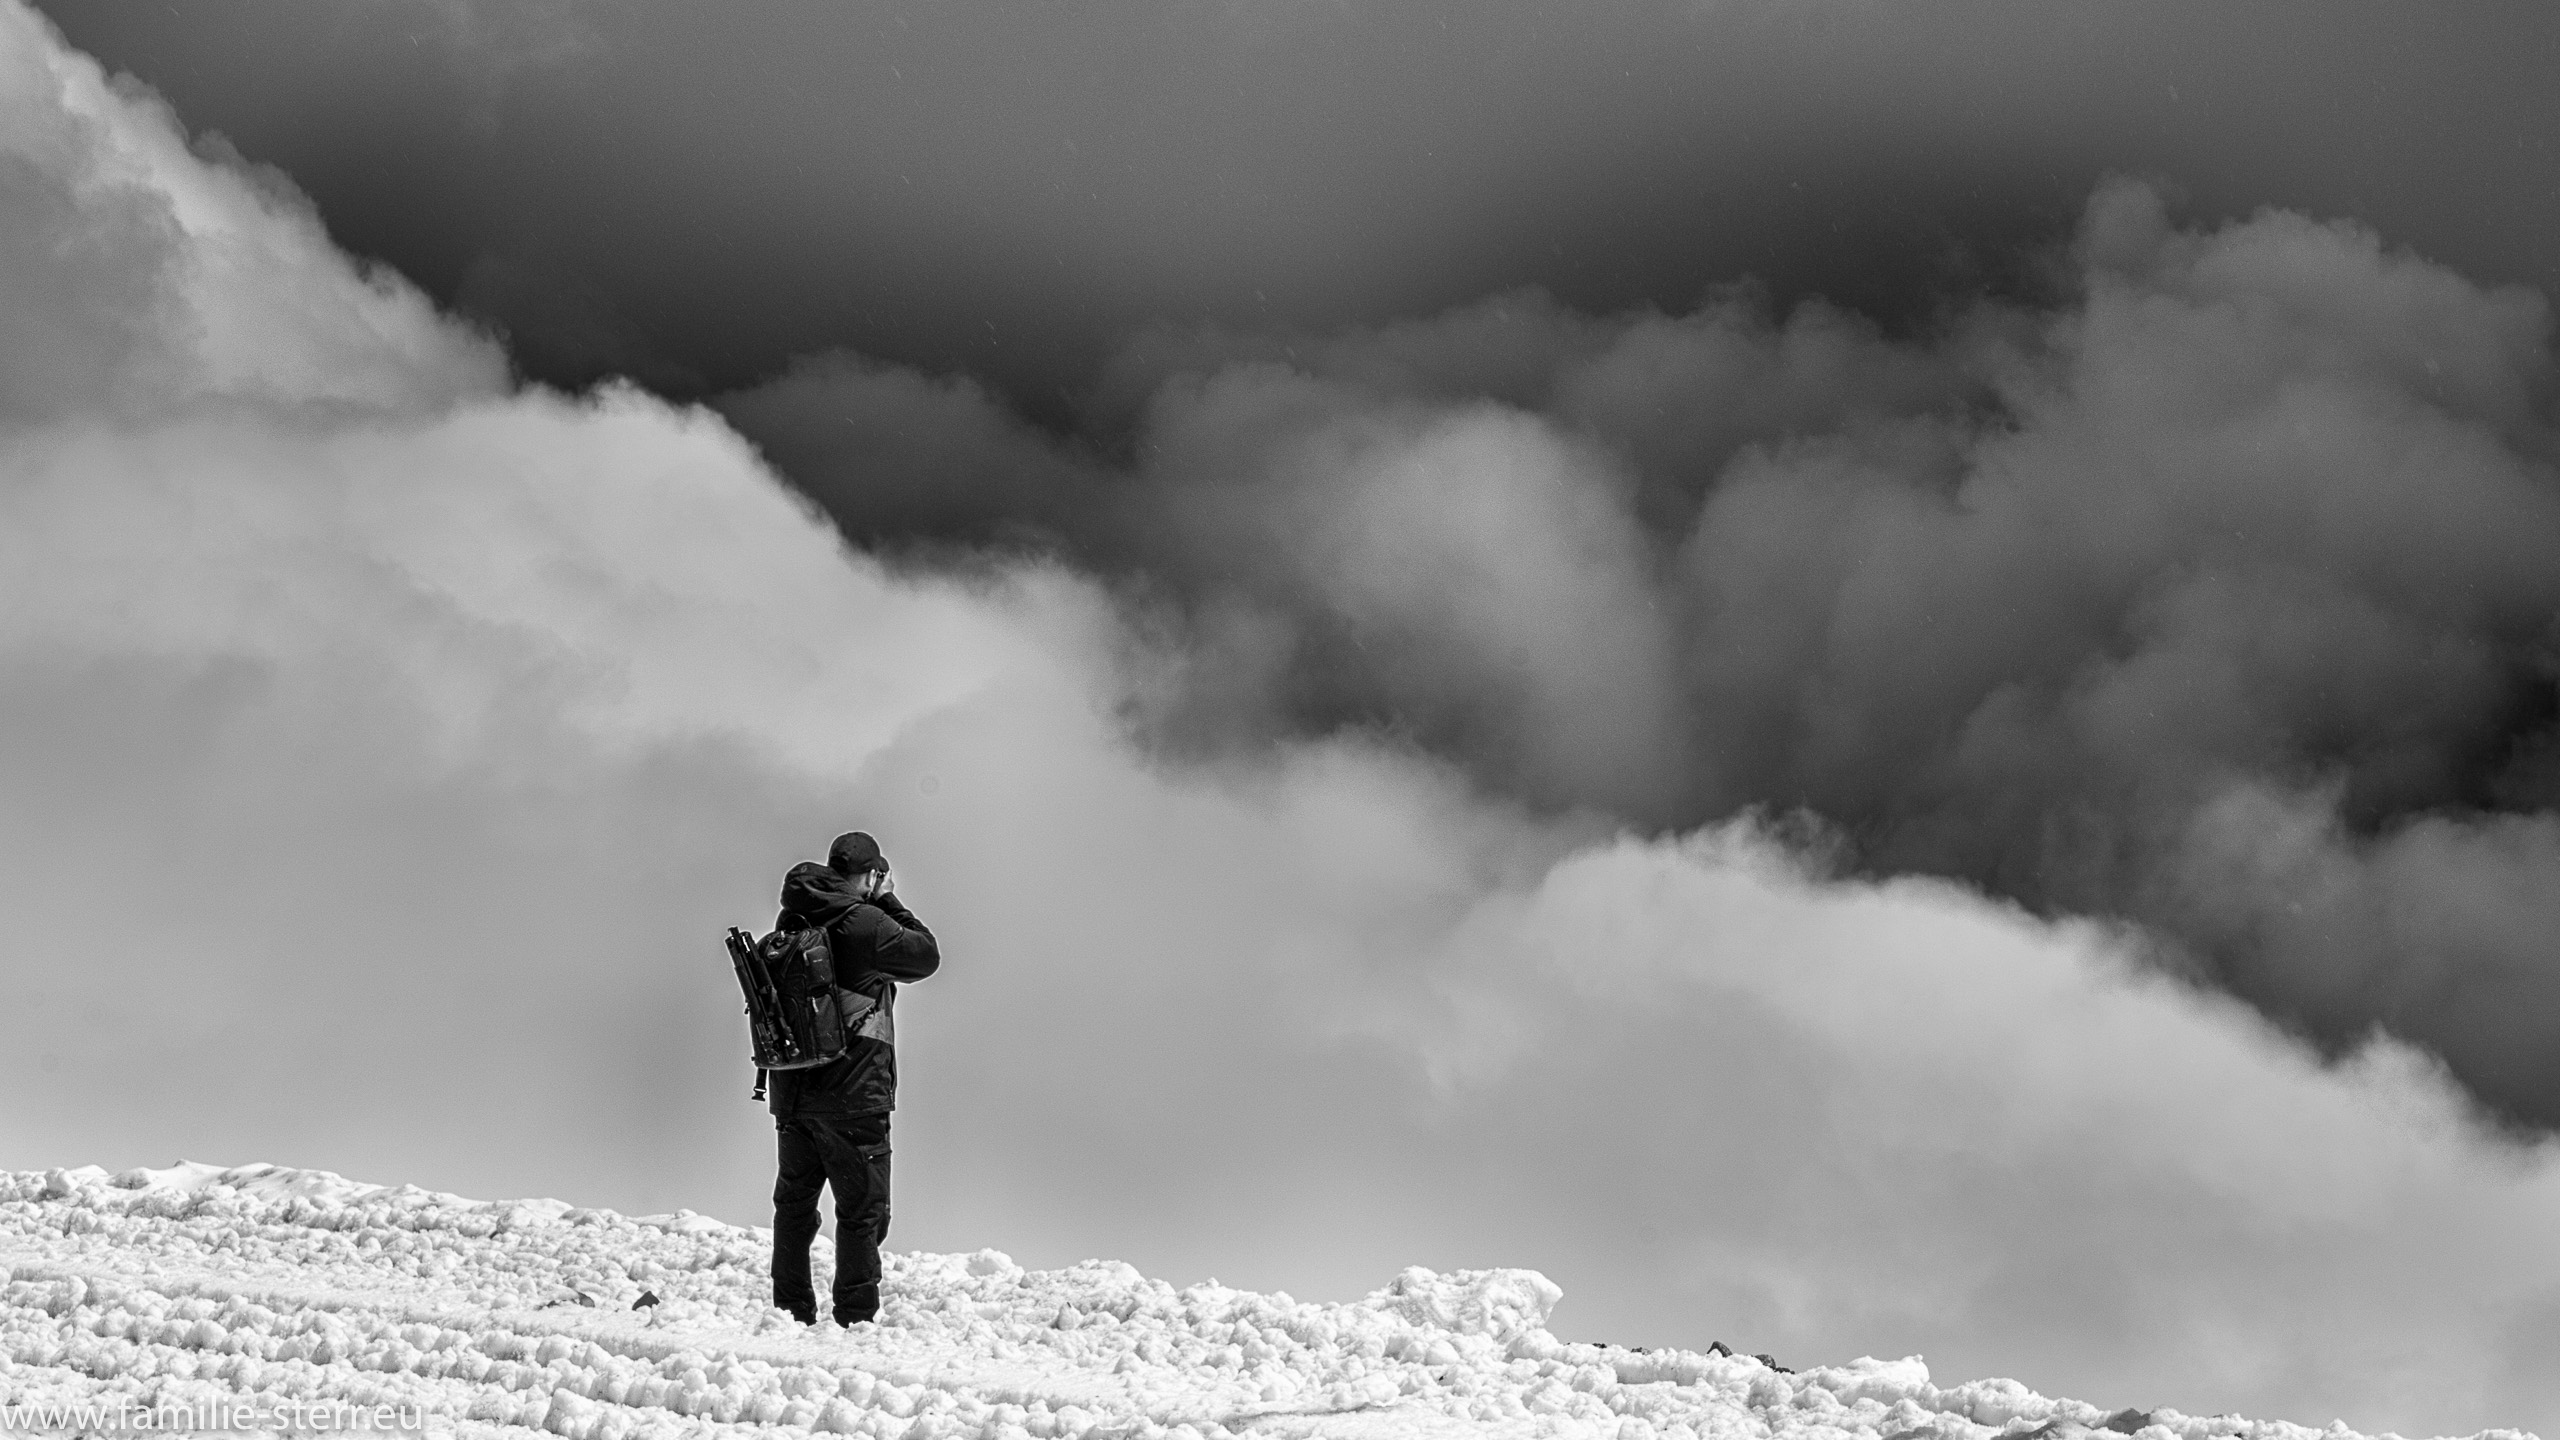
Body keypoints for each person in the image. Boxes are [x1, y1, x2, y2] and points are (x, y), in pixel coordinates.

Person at [767, 830, 939, 1327]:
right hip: (854, 1093)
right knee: (863, 1212)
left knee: (795, 1207)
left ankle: (790, 1313)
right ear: (868, 875)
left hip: (795, 1091)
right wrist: (889, 898)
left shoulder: (793, 915)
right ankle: (855, 1319)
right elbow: (926, 955)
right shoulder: (865, 922)